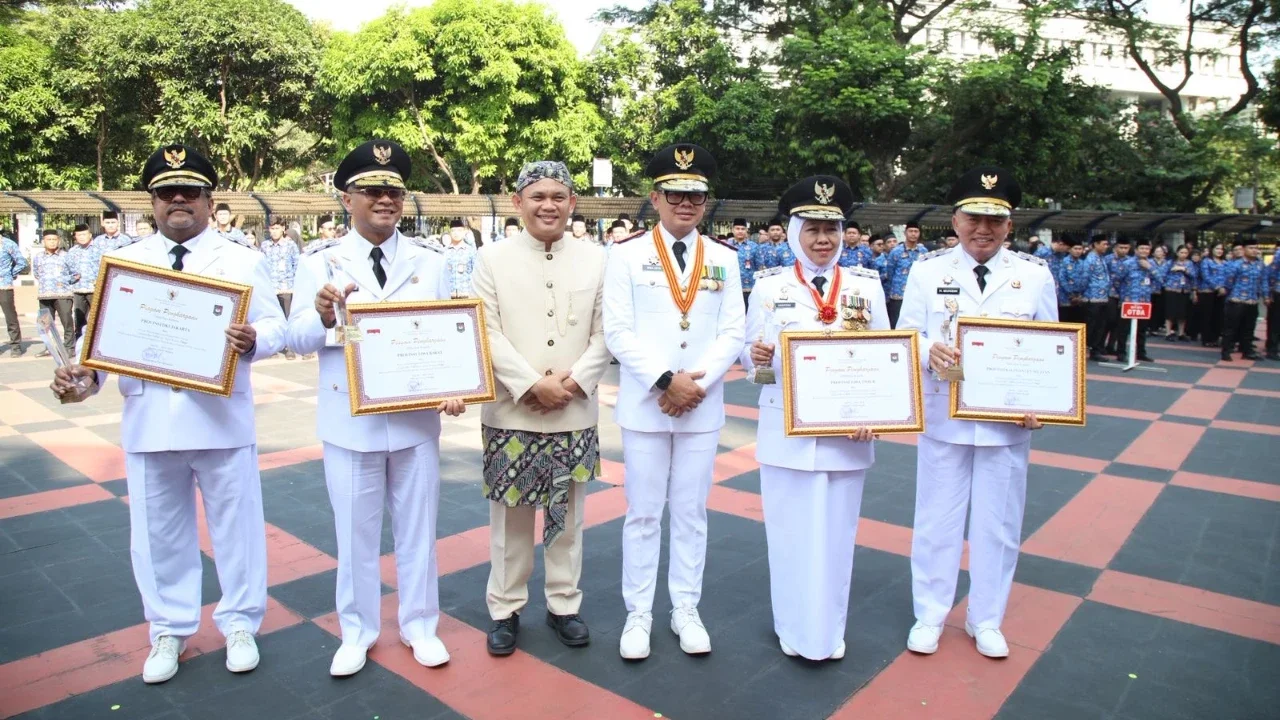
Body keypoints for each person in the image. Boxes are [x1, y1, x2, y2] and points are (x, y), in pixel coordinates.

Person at [49, 144, 285, 683]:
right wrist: (82, 378)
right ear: (151, 201)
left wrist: (253, 340)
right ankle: (168, 628)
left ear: (209, 200)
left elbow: (274, 326)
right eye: (166, 192)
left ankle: (240, 622)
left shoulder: (242, 260)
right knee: (158, 533)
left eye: (191, 191)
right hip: (150, 418)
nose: (179, 200)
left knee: (238, 528)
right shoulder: (125, 261)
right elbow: (99, 342)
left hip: (221, 417)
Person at [286, 139, 463, 676]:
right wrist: (319, 315)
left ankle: (420, 625)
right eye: (371, 190)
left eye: (393, 190)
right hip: (350, 423)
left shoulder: (430, 262)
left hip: (414, 423)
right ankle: (357, 631)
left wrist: (456, 383)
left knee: (418, 531)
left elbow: (448, 336)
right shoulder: (319, 262)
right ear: (347, 199)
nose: (384, 198)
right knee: (355, 535)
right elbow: (294, 340)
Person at [898, 166, 1055, 660]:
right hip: (945, 417)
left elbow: (1050, 347)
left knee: (999, 526)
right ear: (955, 220)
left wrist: (1043, 403)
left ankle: (986, 619)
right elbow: (908, 334)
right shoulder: (928, 270)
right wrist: (929, 352)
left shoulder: (1033, 275)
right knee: (936, 521)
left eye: (995, 220)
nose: (983, 229)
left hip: (1005, 426)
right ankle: (930, 614)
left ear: (1010, 225)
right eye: (973, 218)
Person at [603, 143, 745, 661]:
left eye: (696, 196)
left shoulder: (726, 258)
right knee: (642, 513)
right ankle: (637, 612)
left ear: (706, 202)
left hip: (700, 406)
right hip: (647, 405)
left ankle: (685, 608)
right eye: (675, 194)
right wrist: (666, 381)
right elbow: (617, 331)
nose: (686, 203)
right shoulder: (625, 255)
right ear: (655, 197)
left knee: (690, 512)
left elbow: (733, 332)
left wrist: (693, 386)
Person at [743, 176, 887, 661]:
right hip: (786, 431)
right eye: (813, 229)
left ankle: (827, 633)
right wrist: (756, 357)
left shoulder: (867, 285)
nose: (823, 239)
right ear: (793, 232)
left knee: (837, 539)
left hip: (849, 433)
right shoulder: (768, 287)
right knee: (787, 536)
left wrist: (878, 414)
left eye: (832, 229)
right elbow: (750, 361)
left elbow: (887, 356)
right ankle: (793, 629)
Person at [471, 160, 611, 656]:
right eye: (537, 196)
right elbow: (484, 330)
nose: (548, 204)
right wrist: (531, 383)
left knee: (568, 516)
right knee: (510, 518)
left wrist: (572, 383)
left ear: (572, 202)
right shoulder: (492, 259)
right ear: (517, 203)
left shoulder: (598, 260)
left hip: (574, 411)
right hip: (513, 412)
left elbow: (605, 331)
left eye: (558, 196)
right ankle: (505, 609)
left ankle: (563, 605)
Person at [1220, 237, 1268, 362]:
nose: (1254, 251)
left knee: (1249, 328)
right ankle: (1226, 351)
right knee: (1231, 328)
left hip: (1252, 301)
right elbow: (1229, 282)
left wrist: (1266, 296)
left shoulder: (1260, 264)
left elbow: (1263, 281)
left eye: (1255, 248)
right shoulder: (1236, 264)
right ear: (1244, 249)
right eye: (1251, 248)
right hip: (1237, 301)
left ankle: (1247, 351)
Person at [32, 229, 77, 359]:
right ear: (43, 241)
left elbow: (76, 274)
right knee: (45, 323)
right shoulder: (38, 257)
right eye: (48, 239)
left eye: (54, 239)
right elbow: (36, 273)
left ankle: (69, 348)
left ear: (58, 241)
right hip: (45, 294)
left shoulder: (66, 256)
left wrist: (63, 282)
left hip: (63, 294)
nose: (52, 242)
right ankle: (49, 348)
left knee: (67, 321)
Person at [262, 218, 300, 359]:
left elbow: (297, 264)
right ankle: (274, 347)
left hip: (287, 287)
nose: (274, 231)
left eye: (277, 228)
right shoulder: (265, 246)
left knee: (288, 317)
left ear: (283, 229)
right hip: (271, 288)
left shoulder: (290, 245)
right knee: (272, 318)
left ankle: (289, 347)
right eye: (272, 229)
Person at [1115, 237, 1157, 363]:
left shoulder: (1152, 263)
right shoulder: (1127, 263)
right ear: (1136, 250)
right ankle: (1121, 353)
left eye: (1147, 248)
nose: (1144, 251)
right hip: (1129, 301)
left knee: (1142, 329)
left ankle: (1141, 353)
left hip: (1144, 301)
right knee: (1124, 329)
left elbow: (1161, 279)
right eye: (1142, 248)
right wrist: (1123, 296)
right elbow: (1117, 280)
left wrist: (1149, 267)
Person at [66, 224, 103, 341]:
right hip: (78, 289)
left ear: (90, 235)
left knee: (98, 316)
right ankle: (80, 342)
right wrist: (72, 279)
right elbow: (67, 271)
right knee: (79, 318)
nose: (82, 237)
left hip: (95, 289)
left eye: (84, 234)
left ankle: (97, 341)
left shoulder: (99, 250)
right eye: (79, 235)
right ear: (75, 237)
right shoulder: (72, 252)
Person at [885, 222, 926, 327]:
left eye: (916, 231)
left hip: (918, 294)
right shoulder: (896, 251)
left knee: (916, 324)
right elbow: (890, 272)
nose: (913, 234)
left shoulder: (923, 251)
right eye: (910, 231)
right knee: (897, 324)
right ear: (905, 233)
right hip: (898, 295)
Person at [1081, 235, 1113, 361]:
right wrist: (1082, 293)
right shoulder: (1091, 259)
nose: (1106, 246)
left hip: (1103, 297)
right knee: (1091, 326)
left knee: (1100, 325)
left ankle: (1095, 350)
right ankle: (1083, 350)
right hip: (1092, 298)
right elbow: (1085, 278)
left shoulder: (1101, 258)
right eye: (1104, 244)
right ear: (1095, 244)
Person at [0, 229, 28, 357]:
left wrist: (10, 274)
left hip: (4, 285)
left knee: (10, 316)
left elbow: (22, 262)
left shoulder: (8, 244)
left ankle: (15, 345)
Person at [1163, 245, 1197, 342]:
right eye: (1181, 252)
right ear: (1177, 253)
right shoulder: (1170, 262)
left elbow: (1193, 275)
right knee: (1170, 312)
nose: (1183, 254)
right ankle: (1168, 332)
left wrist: (1184, 270)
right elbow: (1162, 274)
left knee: (1183, 313)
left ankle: (1181, 333)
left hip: (1184, 290)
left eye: (1185, 253)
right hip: (1171, 289)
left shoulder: (1189, 263)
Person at [1103, 237, 1131, 354]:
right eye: (1121, 247)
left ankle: (1111, 346)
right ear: (1115, 248)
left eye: (1126, 248)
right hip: (1110, 293)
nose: (1123, 250)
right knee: (1109, 320)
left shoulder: (1130, 261)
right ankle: (1100, 345)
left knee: (1120, 323)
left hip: (1124, 295)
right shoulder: (1107, 259)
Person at [1198, 243, 1228, 347]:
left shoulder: (1225, 262)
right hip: (1208, 291)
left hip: (1221, 292)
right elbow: (1206, 276)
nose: (1219, 251)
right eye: (1217, 248)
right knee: (1207, 315)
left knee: (1218, 316)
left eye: (1221, 249)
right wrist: (1217, 287)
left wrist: (1223, 287)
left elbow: (1228, 276)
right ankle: (1206, 339)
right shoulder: (1206, 261)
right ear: (1212, 249)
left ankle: (1215, 338)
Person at [443, 218, 478, 298]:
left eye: (459, 230)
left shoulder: (471, 251)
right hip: (448, 295)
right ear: (450, 233)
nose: (456, 233)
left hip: (466, 294)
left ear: (464, 232)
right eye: (453, 231)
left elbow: (475, 272)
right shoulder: (444, 251)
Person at [732, 218, 757, 309]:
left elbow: (758, 266)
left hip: (750, 287)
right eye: (737, 229)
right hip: (731, 287)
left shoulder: (754, 246)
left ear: (746, 230)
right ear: (733, 230)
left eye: (743, 229)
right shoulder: (726, 245)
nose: (740, 231)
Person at [1266, 253, 1280, 361]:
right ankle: (1272, 349)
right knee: (1275, 321)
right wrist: (1269, 293)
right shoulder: (1279, 255)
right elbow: (1271, 274)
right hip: (1277, 291)